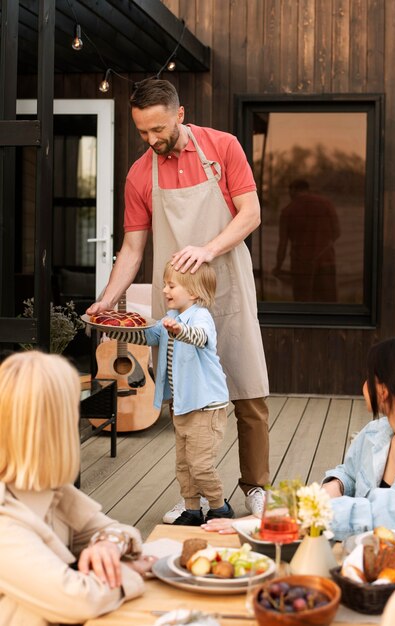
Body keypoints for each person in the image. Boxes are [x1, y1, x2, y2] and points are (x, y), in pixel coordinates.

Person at [87, 78, 270, 521]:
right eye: (142, 132)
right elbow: (133, 248)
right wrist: (106, 299)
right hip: (173, 300)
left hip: (226, 285)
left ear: (180, 115)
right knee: (182, 395)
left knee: (248, 391)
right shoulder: (138, 174)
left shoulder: (223, 149)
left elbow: (250, 213)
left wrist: (207, 249)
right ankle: (196, 496)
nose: (151, 140)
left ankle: (256, 486)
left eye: (158, 130)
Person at [203, 337, 395, 541]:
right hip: (360, 555)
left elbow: (371, 515)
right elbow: (349, 476)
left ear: (383, 390)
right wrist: (328, 491)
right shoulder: (375, 433)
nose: (364, 385)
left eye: (368, 378)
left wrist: (285, 515)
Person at [0, 350, 155, 626]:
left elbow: (118, 530)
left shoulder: (45, 486)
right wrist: (129, 571)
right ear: (54, 427)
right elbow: (77, 598)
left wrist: (109, 544)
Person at [106, 261, 233, 526]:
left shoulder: (200, 317)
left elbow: (201, 338)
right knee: (184, 465)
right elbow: (147, 335)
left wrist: (180, 331)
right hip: (183, 405)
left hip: (206, 406)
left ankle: (220, 507)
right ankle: (192, 509)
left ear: (195, 292)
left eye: (171, 285)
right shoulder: (172, 317)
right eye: (165, 284)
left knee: (200, 465)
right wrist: (111, 327)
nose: (165, 290)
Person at [273, 179, 340, 302]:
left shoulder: (288, 211)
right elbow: (337, 233)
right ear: (307, 189)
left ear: (293, 190)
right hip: (326, 261)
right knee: (329, 304)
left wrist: (278, 266)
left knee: (303, 304)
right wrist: (323, 247)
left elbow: (283, 244)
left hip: (301, 265)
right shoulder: (326, 204)